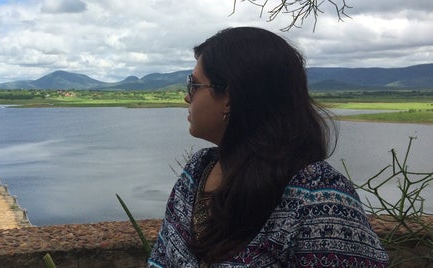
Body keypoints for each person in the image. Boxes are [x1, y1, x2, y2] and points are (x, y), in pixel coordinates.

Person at [148, 27, 389, 267]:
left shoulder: (317, 197)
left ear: (229, 96)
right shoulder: (198, 171)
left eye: (194, 84)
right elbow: (159, 259)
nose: (187, 97)